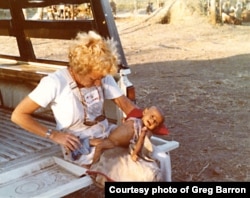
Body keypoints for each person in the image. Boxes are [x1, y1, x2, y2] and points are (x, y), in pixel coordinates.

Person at [11, 31, 137, 168]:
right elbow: (18, 115)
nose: (99, 84)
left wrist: (142, 119)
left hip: (106, 134)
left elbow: (125, 105)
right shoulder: (55, 82)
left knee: (139, 136)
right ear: (79, 70)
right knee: (123, 164)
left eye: (101, 78)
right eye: (93, 79)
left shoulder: (101, 75)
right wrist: (53, 135)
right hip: (79, 143)